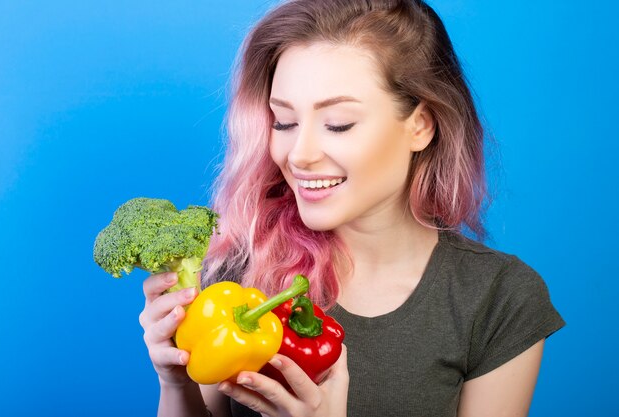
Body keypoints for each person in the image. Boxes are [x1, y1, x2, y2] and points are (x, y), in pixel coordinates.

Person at [138, 0, 565, 416]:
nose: (299, 155)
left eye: (338, 123)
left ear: (420, 125)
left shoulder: (499, 299)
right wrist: (175, 382)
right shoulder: (237, 274)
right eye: (284, 122)